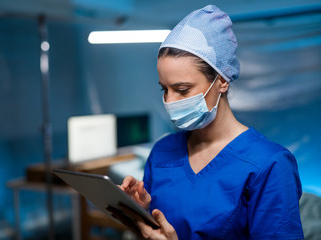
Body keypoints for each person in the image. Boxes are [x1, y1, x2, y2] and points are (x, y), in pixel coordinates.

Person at [118, 5, 304, 240]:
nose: (169, 101)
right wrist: (140, 211)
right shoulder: (163, 152)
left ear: (222, 80)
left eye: (182, 90)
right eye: (164, 89)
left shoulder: (269, 164)